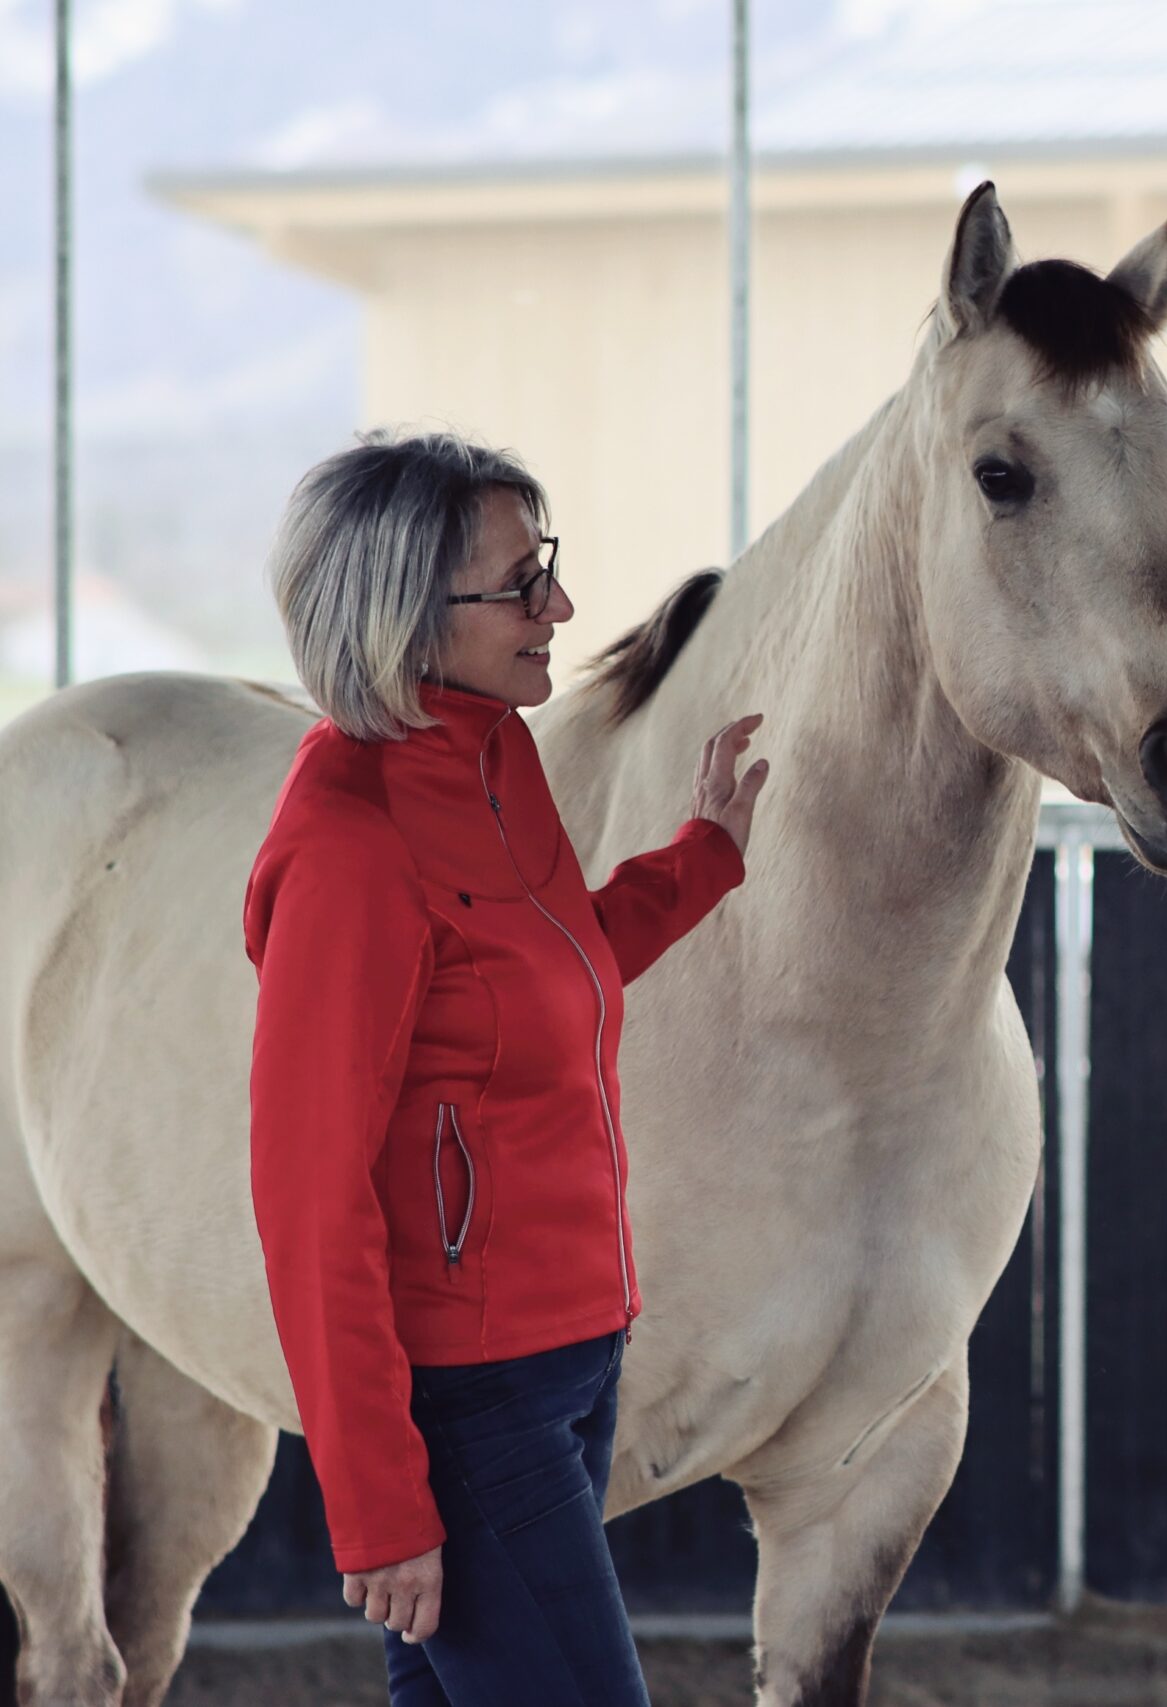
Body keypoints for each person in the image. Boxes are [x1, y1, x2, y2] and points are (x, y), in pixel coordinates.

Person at [244, 431, 770, 1705]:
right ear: (406, 623)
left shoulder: (489, 756)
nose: (562, 608)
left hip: (574, 1351)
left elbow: (552, 965)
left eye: (549, 567)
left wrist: (703, 855)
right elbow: (309, 1200)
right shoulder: (351, 845)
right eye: (520, 584)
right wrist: (378, 1504)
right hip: (470, 1399)